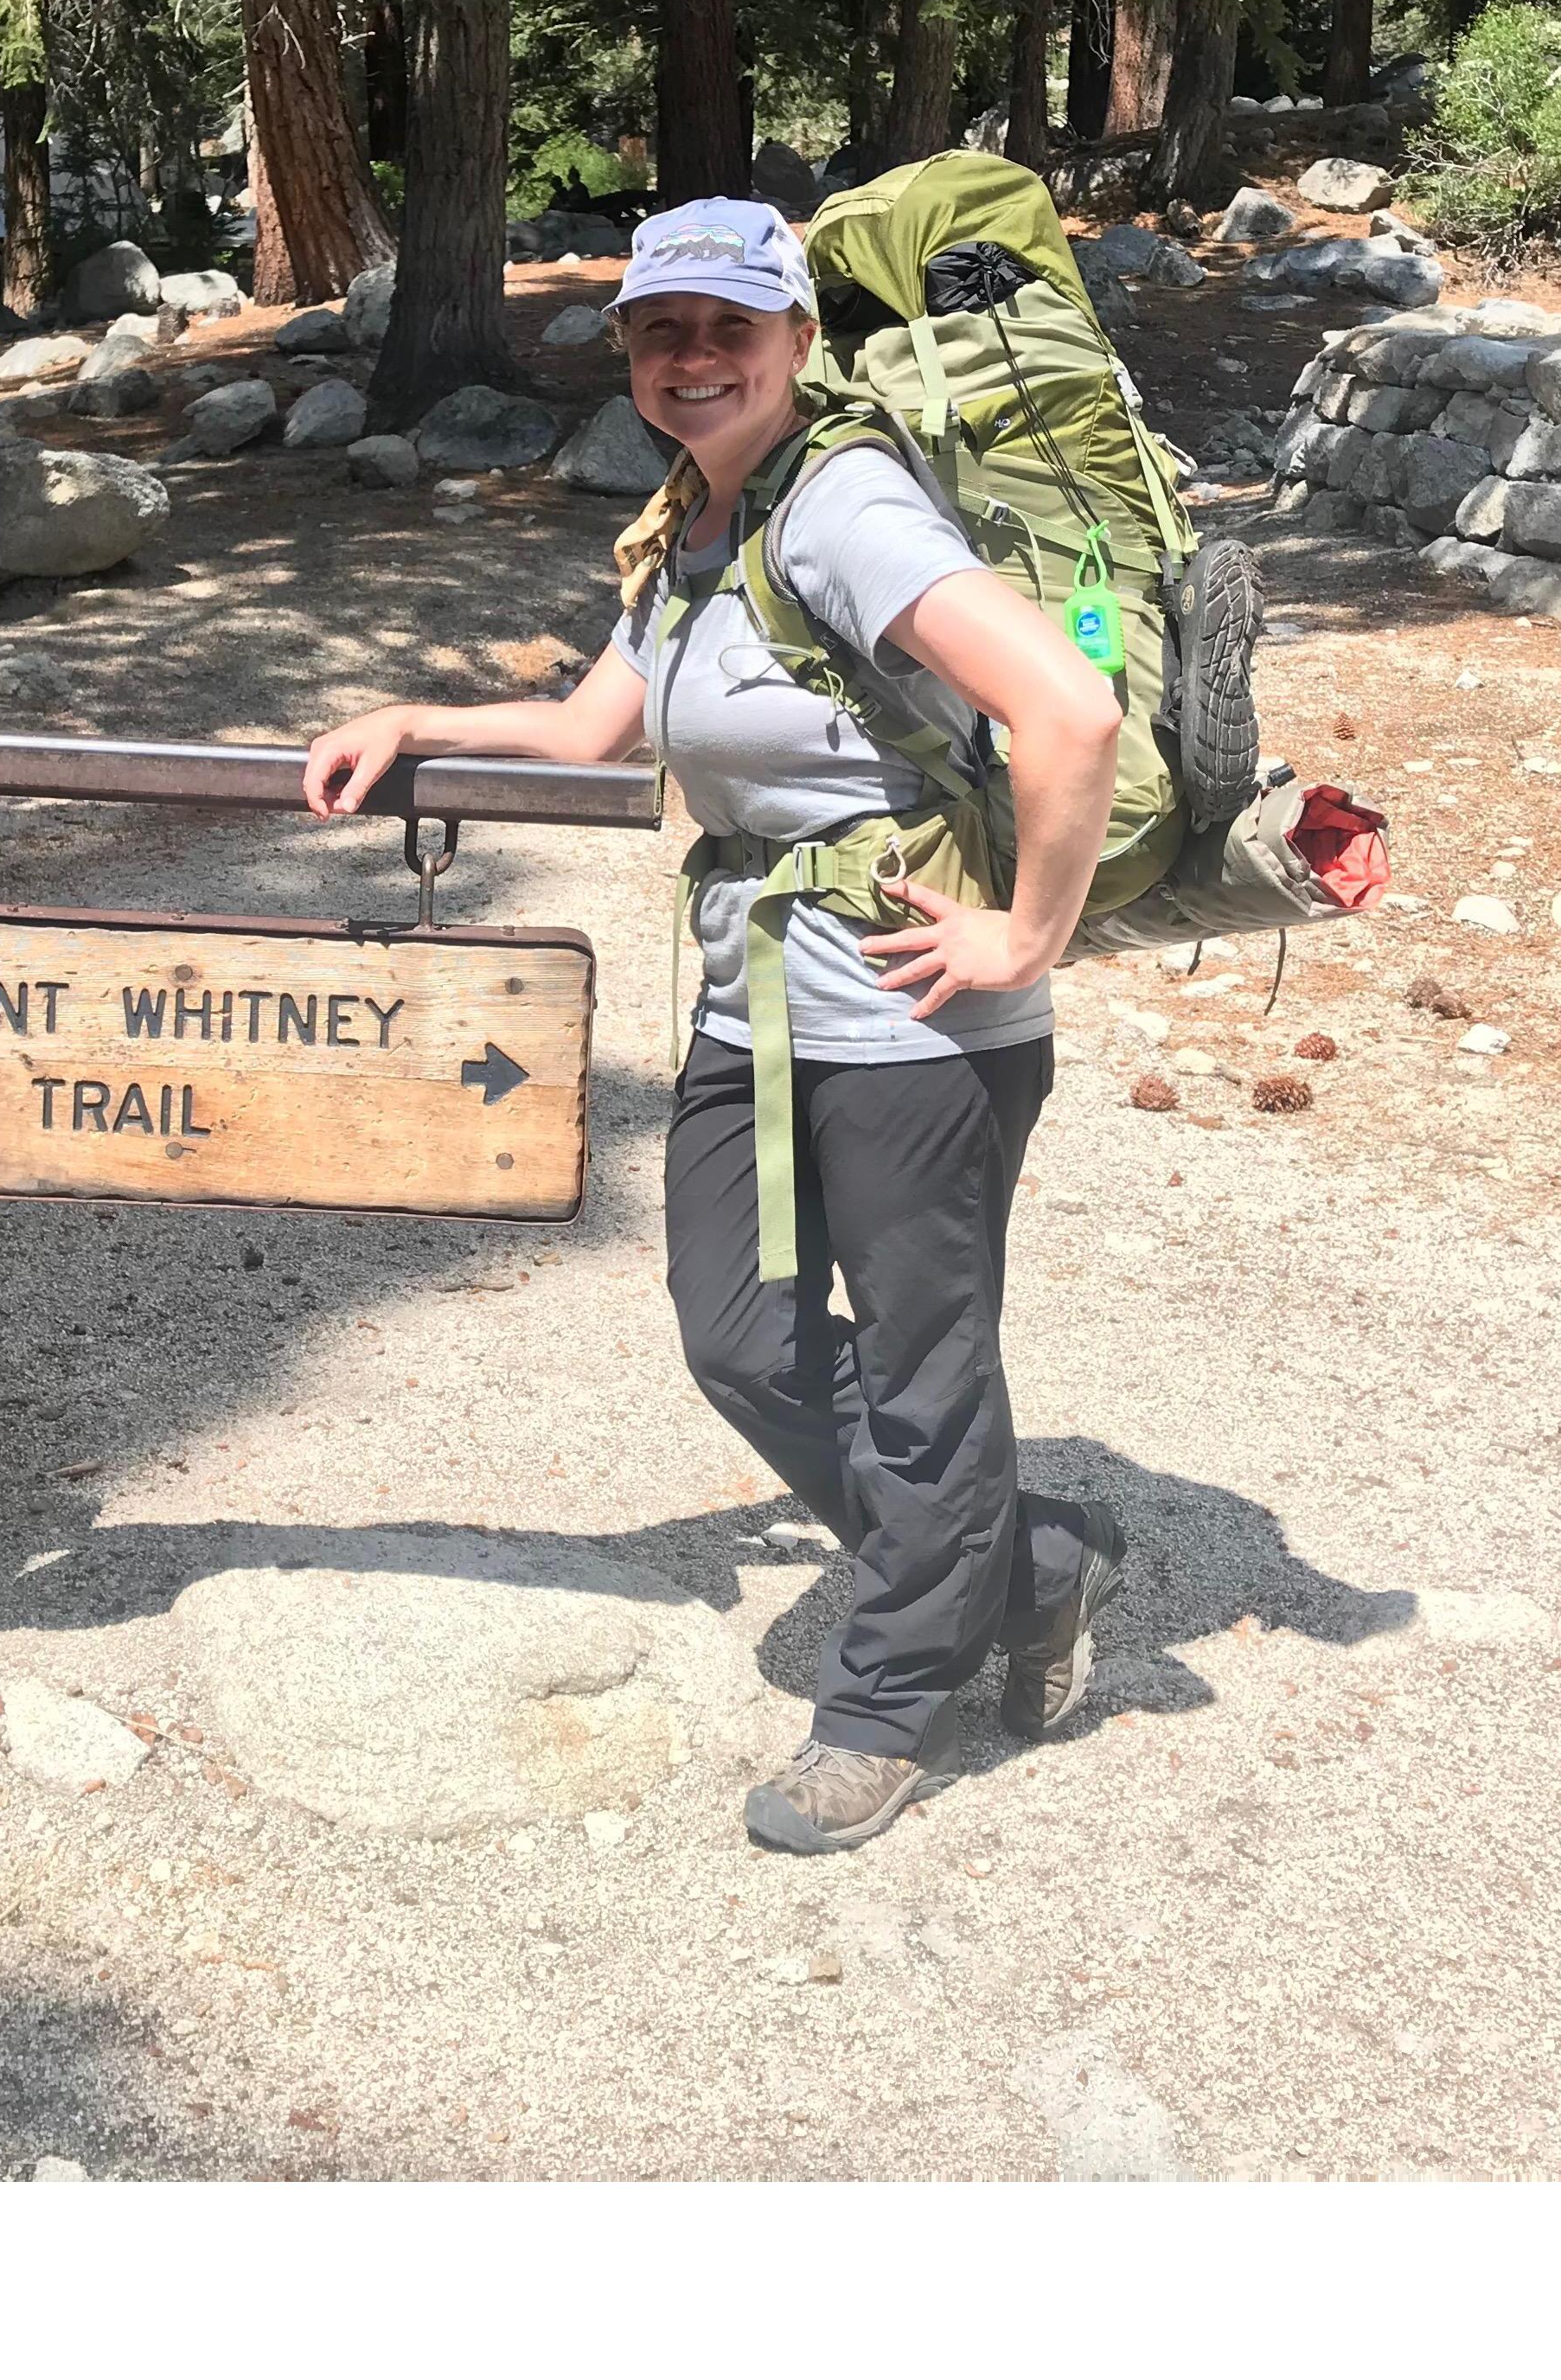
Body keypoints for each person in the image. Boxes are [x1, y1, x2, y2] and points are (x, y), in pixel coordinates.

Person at [305, 195, 1127, 1857]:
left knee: (925, 1372)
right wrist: (415, 715)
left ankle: (887, 1706)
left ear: (796, 344)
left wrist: (1030, 931)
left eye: (730, 329)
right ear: (628, 352)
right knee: (738, 1336)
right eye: (661, 331)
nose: (694, 359)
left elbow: (1071, 708)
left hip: (915, 1024)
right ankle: (1029, 1568)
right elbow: (592, 729)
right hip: (759, 1007)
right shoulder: (697, 522)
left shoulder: (845, 508)